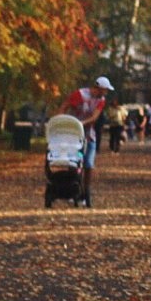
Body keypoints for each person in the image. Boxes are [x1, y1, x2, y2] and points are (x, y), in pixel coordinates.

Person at [58, 76, 114, 207]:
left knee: (88, 163)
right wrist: (61, 121)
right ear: (99, 88)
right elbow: (65, 106)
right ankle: (73, 190)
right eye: (105, 90)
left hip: (88, 134)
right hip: (73, 133)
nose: (105, 93)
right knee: (73, 163)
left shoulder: (101, 100)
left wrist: (82, 123)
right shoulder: (80, 95)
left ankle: (85, 191)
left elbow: (94, 117)